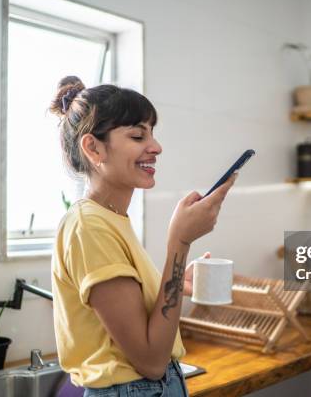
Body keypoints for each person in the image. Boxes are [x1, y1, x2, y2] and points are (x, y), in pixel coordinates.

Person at [50, 76, 236, 397]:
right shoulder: (89, 227)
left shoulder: (111, 220)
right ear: (93, 147)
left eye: (152, 134)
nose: (156, 147)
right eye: (138, 135)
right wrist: (179, 243)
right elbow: (151, 361)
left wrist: (178, 280)